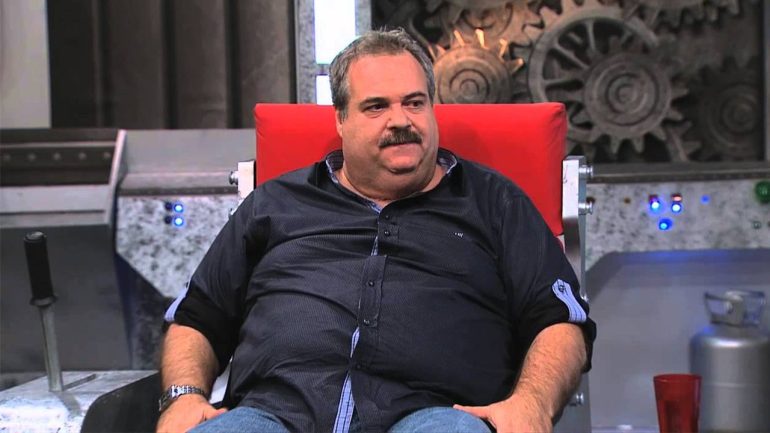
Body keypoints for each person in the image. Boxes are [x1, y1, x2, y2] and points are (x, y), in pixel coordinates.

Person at [157, 28, 596, 433]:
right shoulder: (274, 204)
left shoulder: (494, 203)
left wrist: (531, 403)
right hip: (273, 414)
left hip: (436, 414)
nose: (401, 120)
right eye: (376, 106)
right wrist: (183, 396)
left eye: (414, 103)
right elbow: (197, 317)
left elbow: (561, 320)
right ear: (340, 119)